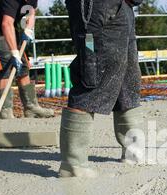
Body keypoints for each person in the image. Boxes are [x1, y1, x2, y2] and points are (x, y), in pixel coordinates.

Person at [60, 0, 144, 178]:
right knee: (93, 76)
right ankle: (74, 164)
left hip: (124, 7)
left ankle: (133, 151)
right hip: (95, 7)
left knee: (128, 79)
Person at [0, 0, 54, 119]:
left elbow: (31, 13)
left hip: (11, 28)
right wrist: (14, 52)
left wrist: (28, 29)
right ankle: (5, 111)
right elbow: (6, 24)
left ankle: (31, 107)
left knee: (23, 65)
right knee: (6, 66)